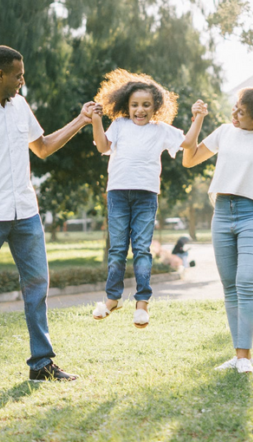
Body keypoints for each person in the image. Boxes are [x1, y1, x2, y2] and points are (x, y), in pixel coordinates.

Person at [0, 45, 97, 390]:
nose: (22, 80)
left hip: (25, 214)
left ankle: (41, 364)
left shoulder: (19, 106)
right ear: (0, 75)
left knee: (37, 287)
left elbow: (42, 146)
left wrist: (81, 120)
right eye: (18, 74)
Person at [90, 69, 208, 328]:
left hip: (146, 196)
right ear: (126, 106)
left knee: (142, 249)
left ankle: (142, 304)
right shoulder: (119, 125)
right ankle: (112, 299)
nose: (140, 110)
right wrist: (96, 121)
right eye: (134, 105)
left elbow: (188, 142)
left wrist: (198, 118)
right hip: (118, 194)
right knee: (118, 249)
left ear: (156, 107)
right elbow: (102, 146)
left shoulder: (161, 130)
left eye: (146, 105)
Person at [183, 86, 253, 374]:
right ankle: (239, 356)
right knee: (230, 288)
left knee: (247, 281)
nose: (235, 114)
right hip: (223, 213)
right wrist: (198, 120)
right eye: (236, 108)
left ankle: (245, 357)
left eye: (243, 112)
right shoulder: (225, 132)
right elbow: (189, 159)